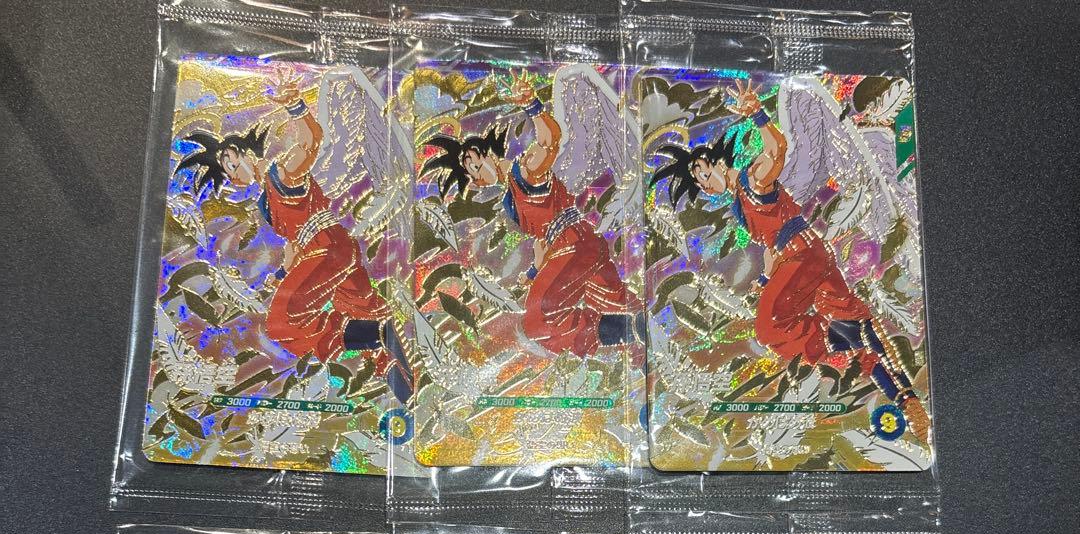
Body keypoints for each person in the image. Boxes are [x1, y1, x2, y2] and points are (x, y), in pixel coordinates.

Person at [650, 79, 929, 441]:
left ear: (718, 162)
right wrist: (766, 280)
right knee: (856, 325)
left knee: (769, 327)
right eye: (700, 184)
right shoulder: (741, 200)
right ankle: (908, 402)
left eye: (704, 173)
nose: (705, 184)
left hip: (801, 257)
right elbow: (770, 245)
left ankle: (844, 343)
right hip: (805, 256)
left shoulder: (753, 179)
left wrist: (757, 114)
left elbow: (777, 148)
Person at [176, 73, 411, 402]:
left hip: (328, 250)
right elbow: (293, 245)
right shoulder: (266, 200)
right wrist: (284, 274)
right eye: (227, 172)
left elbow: (310, 142)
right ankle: (409, 391)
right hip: (334, 250)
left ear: (247, 153)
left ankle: (374, 334)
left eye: (232, 161)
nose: (233, 173)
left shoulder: (281, 173)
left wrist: (295, 105)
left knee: (283, 323)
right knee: (365, 312)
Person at [421, 73, 643, 357]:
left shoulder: (525, 172)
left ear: (487, 154)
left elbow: (549, 142)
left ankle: (632, 331)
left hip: (574, 246)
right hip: (579, 246)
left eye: (474, 166)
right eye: (471, 177)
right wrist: (534, 272)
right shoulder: (511, 194)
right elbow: (542, 242)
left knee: (539, 321)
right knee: (617, 304)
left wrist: (532, 106)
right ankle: (648, 335)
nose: (476, 179)